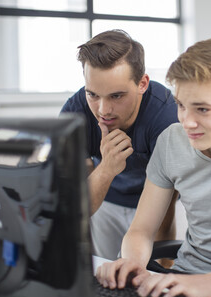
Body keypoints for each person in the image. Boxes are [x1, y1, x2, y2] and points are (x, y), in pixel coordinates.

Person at [95, 38, 211, 297]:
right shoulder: (171, 140)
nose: (187, 122)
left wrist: (208, 284)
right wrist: (133, 263)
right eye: (181, 105)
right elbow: (141, 229)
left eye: (203, 109)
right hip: (186, 279)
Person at [60, 30, 179, 260]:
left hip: (155, 202)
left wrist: (160, 281)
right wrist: (106, 167)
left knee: (152, 274)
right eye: (93, 94)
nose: (103, 110)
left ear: (142, 83)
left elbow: (164, 218)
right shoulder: (74, 114)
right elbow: (76, 208)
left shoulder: (166, 117)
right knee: (106, 272)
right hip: (105, 199)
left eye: (116, 96)